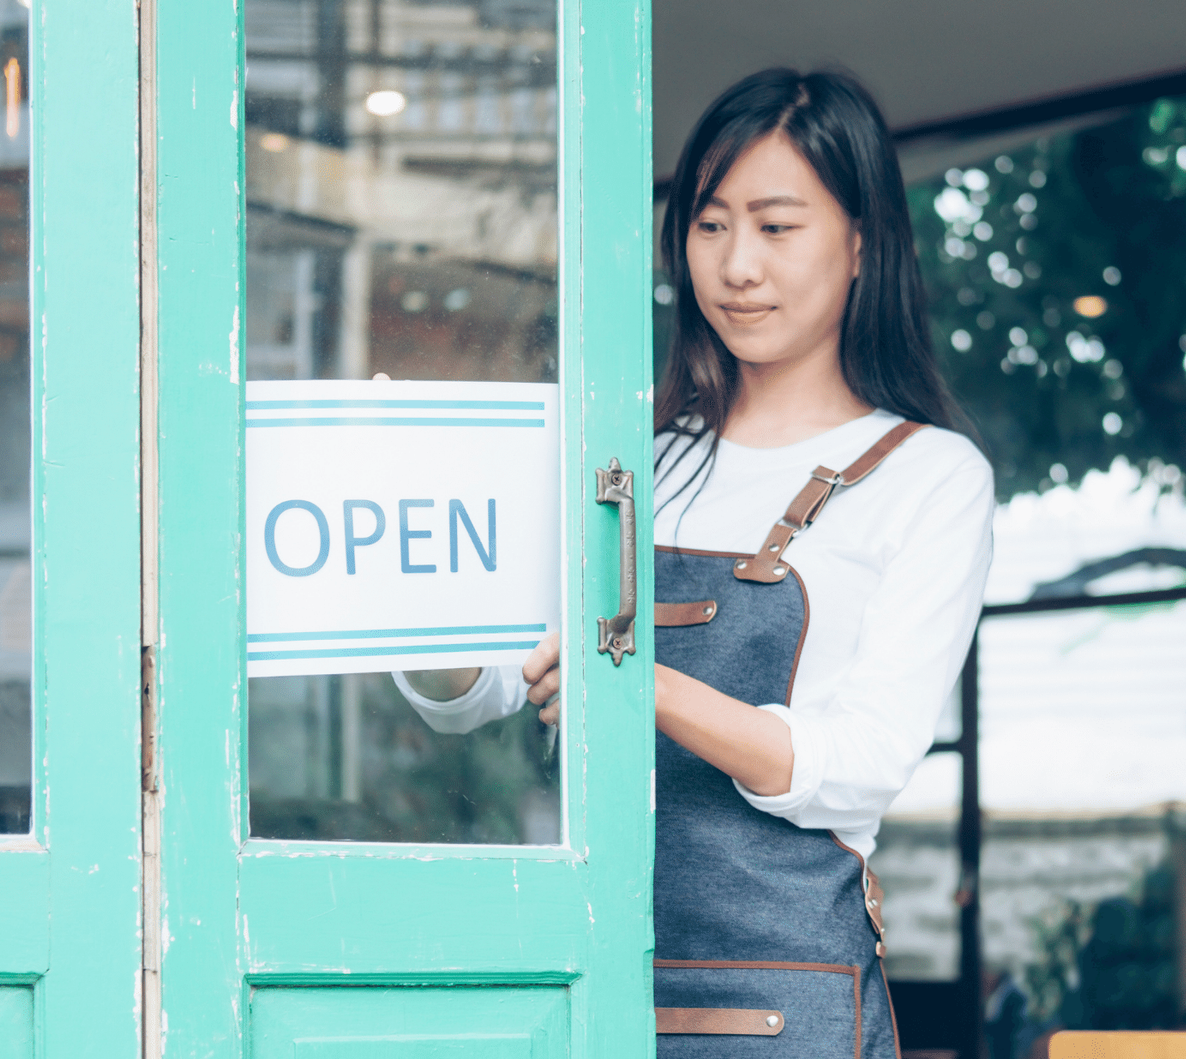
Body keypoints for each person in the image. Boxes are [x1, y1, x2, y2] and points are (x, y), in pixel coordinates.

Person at [397, 68, 994, 1058]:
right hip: (584, 982)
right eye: (710, 225)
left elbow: (859, 766)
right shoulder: (635, 454)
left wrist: (633, 685)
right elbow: (488, 685)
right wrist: (403, 586)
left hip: (780, 1000)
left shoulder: (930, 476)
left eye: (775, 225)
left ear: (862, 242)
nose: (736, 266)